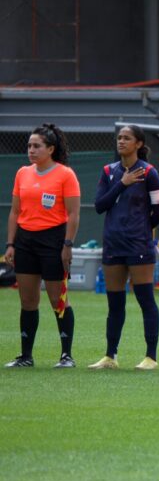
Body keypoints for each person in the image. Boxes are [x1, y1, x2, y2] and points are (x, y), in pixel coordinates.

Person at [4, 123, 80, 368]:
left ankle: (66, 355)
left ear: (50, 149)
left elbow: (73, 213)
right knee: (27, 301)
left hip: (53, 241)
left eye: (37, 146)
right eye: (29, 145)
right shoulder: (22, 173)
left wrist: (67, 245)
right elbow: (15, 212)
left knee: (58, 299)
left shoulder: (65, 174)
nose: (31, 150)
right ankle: (26, 356)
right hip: (25, 241)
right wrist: (10, 244)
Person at [89, 125, 159, 370]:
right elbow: (100, 205)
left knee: (145, 299)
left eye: (127, 138)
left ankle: (150, 357)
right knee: (115, 303)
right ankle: (110, 356)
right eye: (119, 137)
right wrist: (122, 183)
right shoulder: (108, 171)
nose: (121, 141)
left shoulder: (150, 173)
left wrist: (141, 230)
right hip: (113, 244)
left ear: (139, 144)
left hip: (138, 245)